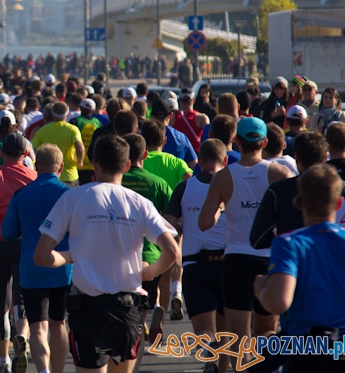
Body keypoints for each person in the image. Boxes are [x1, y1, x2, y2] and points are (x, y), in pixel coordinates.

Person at [34, 134, 179, 373]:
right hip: (128, 309)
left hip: (87, 310)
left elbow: (41, 256)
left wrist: (69, 256)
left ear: (95, 163)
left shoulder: (72, 197)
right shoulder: (140, 202)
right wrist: (149, 273)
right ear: (127, 165)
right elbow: (172, 251)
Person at [199, 117, 292, 361]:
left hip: (237, 259)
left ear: (236, 141)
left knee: (239, 337)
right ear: (265, 142)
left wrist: (222, 207)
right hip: (270, 259)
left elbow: (204, 222)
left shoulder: (223, 177)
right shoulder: (280, 173)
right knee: (266, 331)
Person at [254, 164, 345, 372]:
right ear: (339, 203)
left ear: (298, 202)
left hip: (307, 349)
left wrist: (262, 290)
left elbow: (279, 302)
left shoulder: (289, 244)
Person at [1, 144, 71, 373]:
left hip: (32, 270)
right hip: (62, 269)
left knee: (37, 326)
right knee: (59, 324)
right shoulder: (69, 194)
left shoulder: (21, 194)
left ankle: (43, 371)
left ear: (36, 166)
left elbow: (7, 233)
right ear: (61, 167)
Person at [163, 139, 231, 373]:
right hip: (227, 264)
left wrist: (183, 227)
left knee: (204, 330)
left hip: (195, 265)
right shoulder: (232, 186)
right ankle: (222, 368)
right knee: (225, 329)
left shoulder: (185, 187)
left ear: (199, 161)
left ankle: (210, 362)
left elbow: (168, 224)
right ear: (225, 160)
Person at [0, 133, 38, 372]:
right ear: (25, 154)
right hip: (24, 242)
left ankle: (3, 359)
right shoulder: (33, 175)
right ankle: (22, 336)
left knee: (0, 302)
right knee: (22, 299)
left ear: (2, 153)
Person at [120, 134, 174, 347]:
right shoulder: (158, 183)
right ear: (145, 155)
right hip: (151, 253)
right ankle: (152, 312)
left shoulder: (116, 181)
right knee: (149, 293)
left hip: (120, 253)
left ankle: (138, 326)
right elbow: (171, 219)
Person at [31, 102, 84, 187]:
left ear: (52, 114)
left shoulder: (43, 130)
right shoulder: (72, 129)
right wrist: (79, 162)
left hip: (48, 175)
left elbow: (32, 149)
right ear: (67, 114)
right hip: (69, 175)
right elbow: (80, 148)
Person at [171, 88, 209, 153]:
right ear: (194, 100)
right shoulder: (202, 118)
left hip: (178, 153)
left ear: (180, 100)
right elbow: (208, 138)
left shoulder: (172, 116)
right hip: (195, 153)